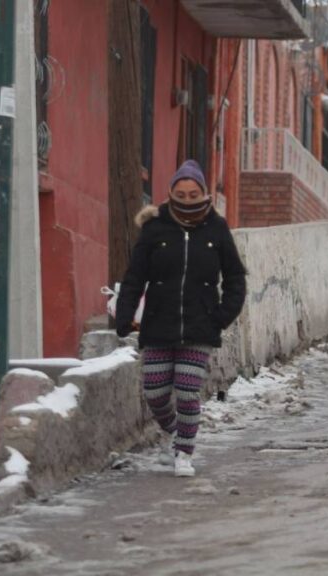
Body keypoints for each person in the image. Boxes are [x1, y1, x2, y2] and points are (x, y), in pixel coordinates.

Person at [116, 159, 247, 478]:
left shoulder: (217, 228)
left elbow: (235, 279)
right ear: (171, 193)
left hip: (200, 327)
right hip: (158, 325)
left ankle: (184, 452)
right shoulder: (155, 227)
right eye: (181, 194)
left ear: (203, 193)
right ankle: (177, 433)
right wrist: (124, 314)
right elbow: (135, 277)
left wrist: (220, 317)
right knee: (155, 393)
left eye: (193, 194)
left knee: (188, 392)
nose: (187, 199)